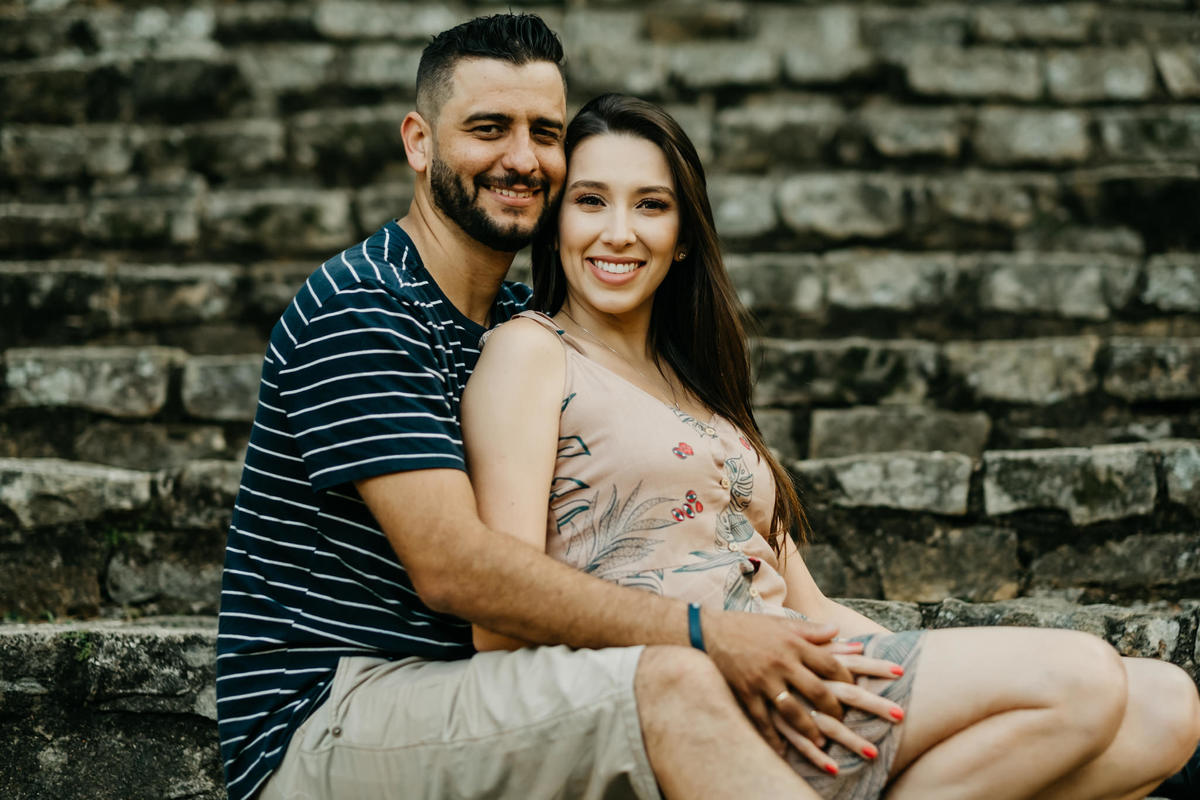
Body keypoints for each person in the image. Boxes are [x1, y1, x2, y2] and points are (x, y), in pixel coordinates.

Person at [217, 14, 917, 800]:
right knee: (677, 684)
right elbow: (456, 570)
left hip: (479, 698)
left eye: (544, 132)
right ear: (418, 141)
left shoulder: (526, 321)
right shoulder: (364, 306)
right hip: (330, 716)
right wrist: (706, 631)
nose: (521, 158)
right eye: (488, 128)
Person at [461, 92, 1200, 798]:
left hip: (802, 669)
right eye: (591, 201)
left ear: (684, 237)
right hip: (701, 697)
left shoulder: (698, 388)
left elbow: (809, 604)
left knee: (1166, 708)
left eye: (650, 204)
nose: (618, 231)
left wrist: (909, 671)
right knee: (1084, 680)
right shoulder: (531, 353)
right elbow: (502, 615)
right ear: (555, 223)